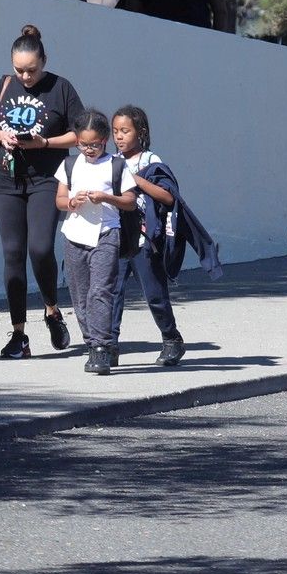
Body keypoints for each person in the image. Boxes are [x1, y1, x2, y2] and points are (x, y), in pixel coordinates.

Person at [0, 24, 85, 357]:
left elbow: (80, 135)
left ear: (44, 60)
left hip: (47, 178)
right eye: (19, 69)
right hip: (4, 179)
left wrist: (45, 142)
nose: (25, 76)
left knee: (39, 248)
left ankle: (52, 309)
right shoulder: (3, 86)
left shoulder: (60, 88)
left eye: (31, 70)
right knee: (12, 253)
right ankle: (19, 335)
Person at [56, 111, 139, 375]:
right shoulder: (69, 165)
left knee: (100, 291)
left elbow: (130, 201)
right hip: (74, 236)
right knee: (80, 296)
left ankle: (101, 348)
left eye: (95, 144)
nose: (89, 149)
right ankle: (93, 342)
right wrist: (72, 202)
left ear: (105, 141)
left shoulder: (116, 165)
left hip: (106, 233)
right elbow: (59, 200)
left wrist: (105, 197)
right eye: (83, 144)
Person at [108, 105, 186, 366]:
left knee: (154, 293)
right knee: (112, 293)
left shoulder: (151, 161)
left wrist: (136, 181)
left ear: (140, 131)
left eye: (125, 130)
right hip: (116, 238)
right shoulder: (109, 161)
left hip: (143, 240)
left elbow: (168, 196)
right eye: (115, 131)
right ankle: (109, 346)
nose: (119, 136)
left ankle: (171, 339)